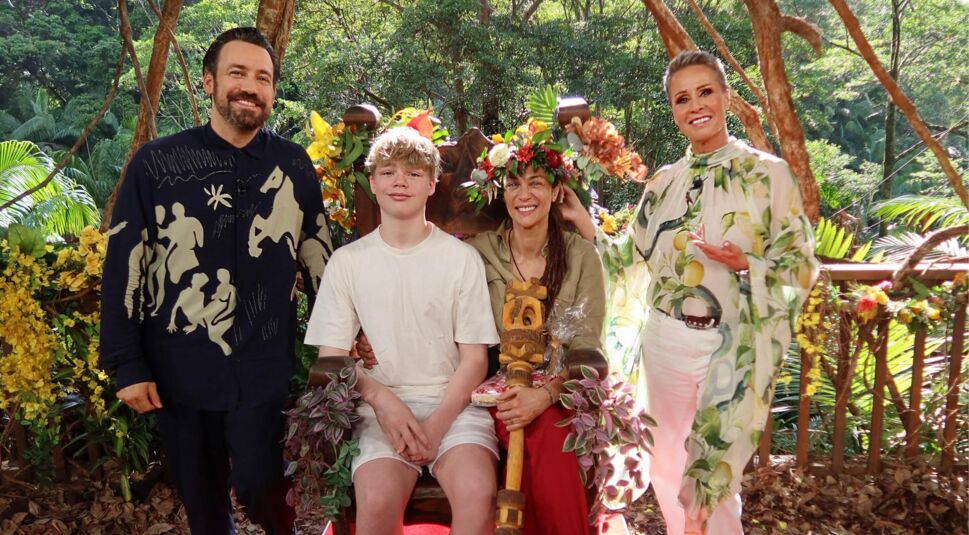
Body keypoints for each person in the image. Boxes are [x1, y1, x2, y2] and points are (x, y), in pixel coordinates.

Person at [560, 50, 819, 535]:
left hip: (732, 343)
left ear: (725, 97)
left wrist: (746, 264)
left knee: (713, 478)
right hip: (665, 342)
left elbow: (801, 267)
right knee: (664, 466)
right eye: (682, 98)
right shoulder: (663, 184)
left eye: (705, 92)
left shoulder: (769, 175)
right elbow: (629, 256)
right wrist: (585, 225)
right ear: (674, 110)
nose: (695, 105)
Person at [100, 27, 332, 535]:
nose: (251, 87)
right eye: (237, 73)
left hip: (264, 364)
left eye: (263, 78)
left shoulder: (293, 165)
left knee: (264, 488)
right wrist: (125, 363)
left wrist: (337, 341)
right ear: (209, 82)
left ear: (273, 91)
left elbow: (318, 257)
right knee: (203, 506)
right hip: (178, 367)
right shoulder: (156, 163)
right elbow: (125, 262)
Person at [304, 127, 500, 535]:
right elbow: (331, 359)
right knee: (376, 502)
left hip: (455, 405)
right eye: (388, 172)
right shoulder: (348, 262)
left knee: (478, 494)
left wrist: (436, 425)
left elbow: (474, 360)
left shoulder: (461, 259)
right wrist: (381, 399)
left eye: (413, 173)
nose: (400, 182)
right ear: (373, 182)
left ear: (431, 184)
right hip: (379, 409)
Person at [465, 120, 607, 534]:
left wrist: (544, 395)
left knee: (549, 436)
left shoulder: (581, 256)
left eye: (537, 183)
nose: (524, 195)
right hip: (497, 388)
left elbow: (588, 345)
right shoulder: (478, 253)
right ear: (501, 192)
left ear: (557, 190)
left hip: (561, 389)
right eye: (513, 184)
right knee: (523, 430)